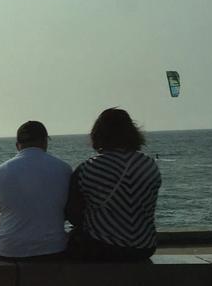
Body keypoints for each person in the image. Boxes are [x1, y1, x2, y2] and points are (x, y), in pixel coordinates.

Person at [0, 121, 72, 261]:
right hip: (54, 249)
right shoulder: (64, 169)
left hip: (10, 251)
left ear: (17, 145)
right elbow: (70, 211)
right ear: (45, 142)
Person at [66, 108, 161, 261]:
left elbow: (72, 212)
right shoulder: (149, 164)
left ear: (98, 134)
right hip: (145, 247)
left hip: (103, 247)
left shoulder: (89, 168)